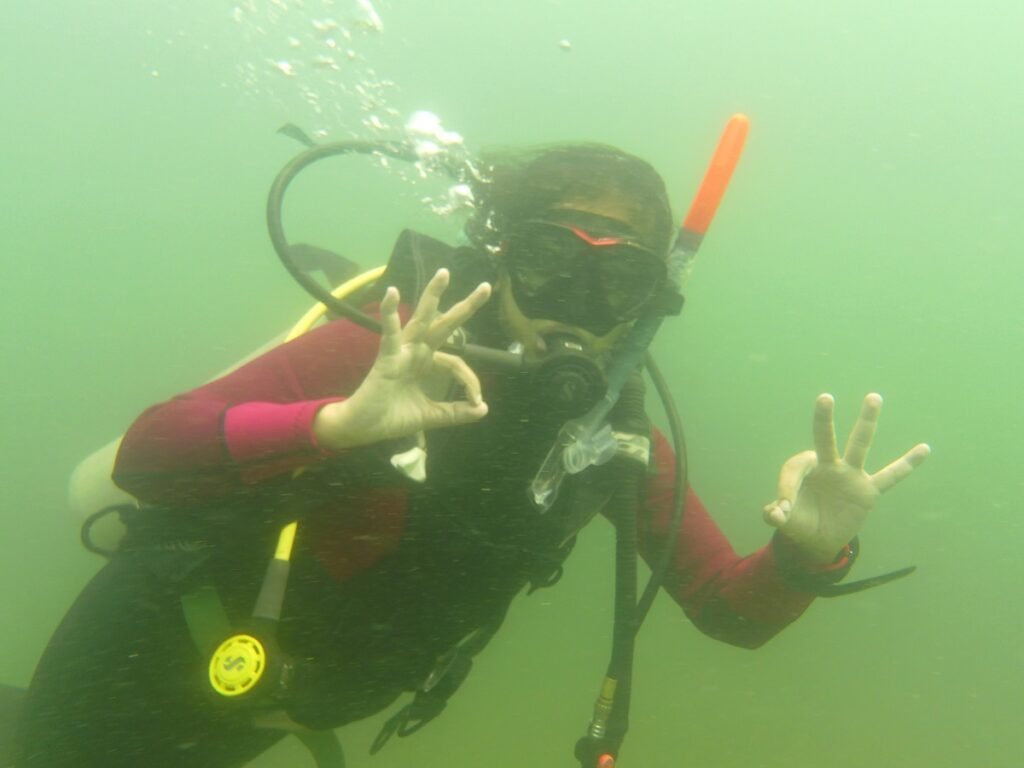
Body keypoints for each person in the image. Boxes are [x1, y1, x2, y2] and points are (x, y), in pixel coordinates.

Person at [14, 143, 929, 767]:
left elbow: (733, 613)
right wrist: (332, 426)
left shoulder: (611, 447)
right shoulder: (380, 359)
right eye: (547, 259)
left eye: (617, 276)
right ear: (497, 258)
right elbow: (147, 453)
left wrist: (808, 551)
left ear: (647, 302)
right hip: (139, 654)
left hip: (272, 709)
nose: (577, 297)